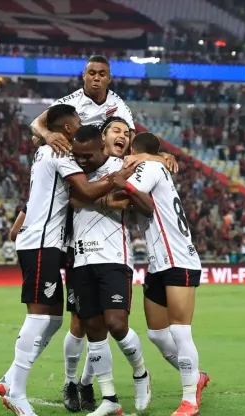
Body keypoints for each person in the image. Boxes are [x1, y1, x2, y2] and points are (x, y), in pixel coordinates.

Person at [0, 104, 127, 416]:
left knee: (54, 321)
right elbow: (85, 190)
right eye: (77, 122)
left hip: (47, 243)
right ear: (68, 129)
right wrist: (117, 177)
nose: (80, 125)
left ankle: (11, 377)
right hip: (42, 243)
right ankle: (17, 393)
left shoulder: (46, 148)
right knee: (39, 317)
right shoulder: (62, 152)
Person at [61, 116, 177, 412]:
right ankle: (107, 397)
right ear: (103, 137)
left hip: (114, 256)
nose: (122, 136)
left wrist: (162, 155)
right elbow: (72, 200)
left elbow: (130, 202)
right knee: (90, 328)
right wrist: (102, 195)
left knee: (116, 324)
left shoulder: (128, 167)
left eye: (127, 132)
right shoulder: (76, 167)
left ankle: (140, 373)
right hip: (81, 257)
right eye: (116, 130)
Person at [122, 132, 210, 416]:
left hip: (178, 259)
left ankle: (189, 401)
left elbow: (125, 190)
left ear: (136, 150)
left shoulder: (150, 167)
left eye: (127, 149)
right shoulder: (156, 164)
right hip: (158, 262)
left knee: (180, 331)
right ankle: (196, 376)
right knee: (157, 334)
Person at [30, 55, 135, 156]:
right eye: (92, 73)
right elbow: (36, 124)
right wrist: (47, 135)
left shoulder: (118, 104)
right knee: (37, 138)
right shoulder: (70, 101)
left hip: (104, 162)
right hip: (76, 159)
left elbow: (131, 137)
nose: (96, 78)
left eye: (102, 74)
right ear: (84, 76)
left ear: (109, 78)